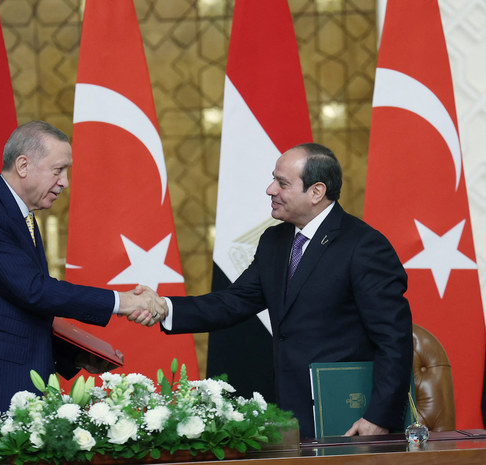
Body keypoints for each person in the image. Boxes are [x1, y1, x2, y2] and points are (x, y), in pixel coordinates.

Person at [0, 121, 164, 456]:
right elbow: (34, 291)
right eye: (58, 170)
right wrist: (118, 301)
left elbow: (16, 311)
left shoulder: (20, 216)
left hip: (4, 393)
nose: (64, 183)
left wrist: (76, 355)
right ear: (23, 165)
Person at [156, 143, 413, 439]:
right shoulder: (274, 240)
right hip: (290, 412)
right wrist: (165, 308)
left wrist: (378, 417)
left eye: (282, 183)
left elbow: (394, 339)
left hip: (348, 413)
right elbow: (235, 301)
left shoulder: (364, 246)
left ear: (316, 192)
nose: (270, 189)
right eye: (273, 179)